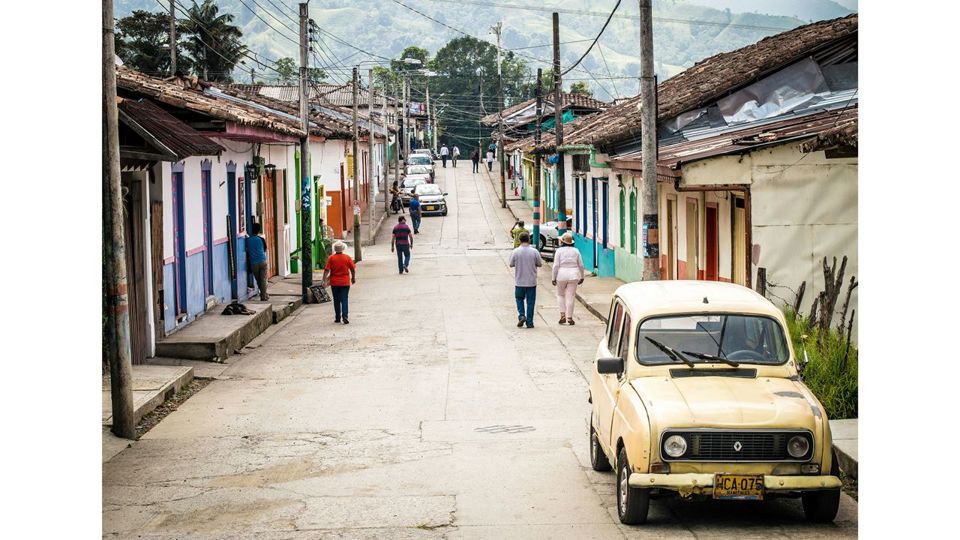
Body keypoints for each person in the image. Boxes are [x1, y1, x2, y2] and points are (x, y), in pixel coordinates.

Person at [509, 231, 543, 329]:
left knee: (519, 299)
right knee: (530, 302)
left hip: (519, 281)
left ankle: (521, 316)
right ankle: (530, 322)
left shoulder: (516, 251)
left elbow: (511, 264)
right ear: (529, 240)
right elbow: (539, 264)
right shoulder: (534, 251)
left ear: (519, 240)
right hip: (531, 282)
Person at [552, 232, 585, 325]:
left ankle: (562, 315)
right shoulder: (576, 251)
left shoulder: (559, 251)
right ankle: (569, 317)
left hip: (561, 275)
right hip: (574, 275)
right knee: (571, 296)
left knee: (560, 295)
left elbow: (556, 265)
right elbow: (581, 265)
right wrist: (582, 276)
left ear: (562, 242)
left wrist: (553, 278)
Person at [322, 241, 356, 324]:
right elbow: (352, 269)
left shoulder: (331, 258)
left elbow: (326, 270)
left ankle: (337, 317)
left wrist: (324, 280)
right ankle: (345, 316)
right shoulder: (347, 258)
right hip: (345, 282)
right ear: (343, 249)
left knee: (336, 300)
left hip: (334, 283)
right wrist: (353, 278)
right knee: (344, 299)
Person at [246, 222, 269, 301]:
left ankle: (264, 295)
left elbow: (246, 250)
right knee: (263, 279)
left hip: (254, 263)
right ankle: (264, 296)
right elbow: (265, 249)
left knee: (259, 280)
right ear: (259, 231)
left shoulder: (248, 240)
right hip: (263, 261)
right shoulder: (261, 239)